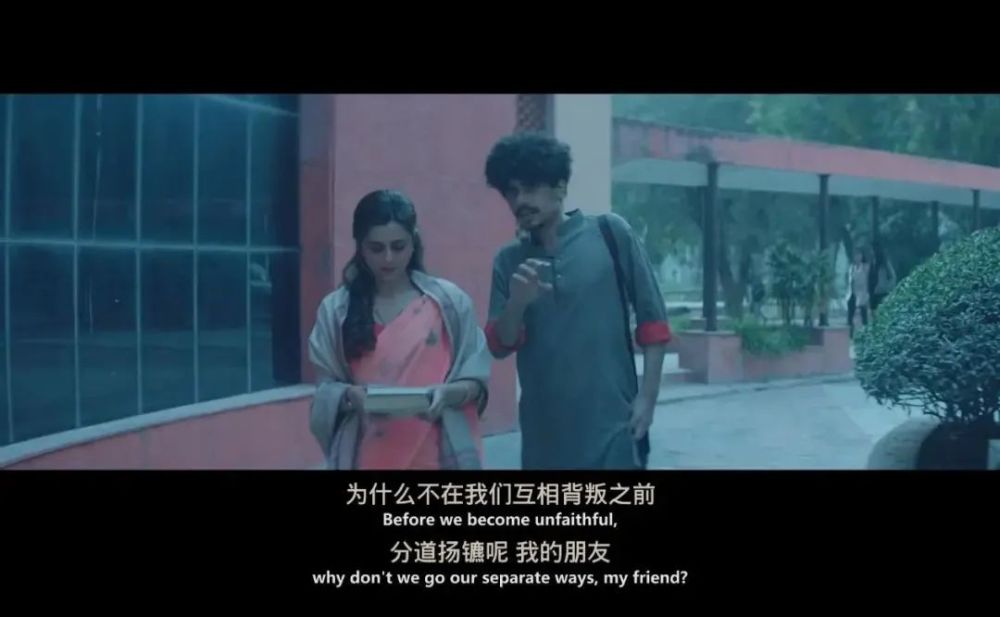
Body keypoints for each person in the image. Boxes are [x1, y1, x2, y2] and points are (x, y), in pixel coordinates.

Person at [483, 132, 671, 470]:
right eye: (511, 191)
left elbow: (653, 323)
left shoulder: (610, 234)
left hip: (614, 427)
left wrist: (648, 398)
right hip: (544, 439)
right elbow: (499, 346)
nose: (519, 200)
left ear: (560, 187)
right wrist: (517, 303)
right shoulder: (508, 262)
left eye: (530, 188)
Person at [307, 190, 491, 470]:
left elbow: (476, 382)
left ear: (413, 243)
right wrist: (350, 396)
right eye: (376, 248)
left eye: (398, 246)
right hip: (365, 454)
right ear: (360, 247)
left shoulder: (449, 304)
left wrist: (447, 394)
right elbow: (325, 391)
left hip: (437, 456)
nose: (388, 258)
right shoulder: (336, 310)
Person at [846, 248, 871, 338]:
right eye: (855, 255)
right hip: (852, 294)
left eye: (859, 255)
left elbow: (867, 281)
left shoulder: (865, 267)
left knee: (864, 315)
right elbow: (849, 281)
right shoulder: (851, 268)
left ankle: (866, 334)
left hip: (862, 293)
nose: (857, 257)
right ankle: (850, 335)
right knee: (850, 316)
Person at [868, 245, 897, 314]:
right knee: (874, 313)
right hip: (873, 293)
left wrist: (886, 287)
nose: (870, 252)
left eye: (872, 250)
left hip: (883, 293)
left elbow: (893, 277)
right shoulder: (872, 263)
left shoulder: (884, 263)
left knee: (883, 312)